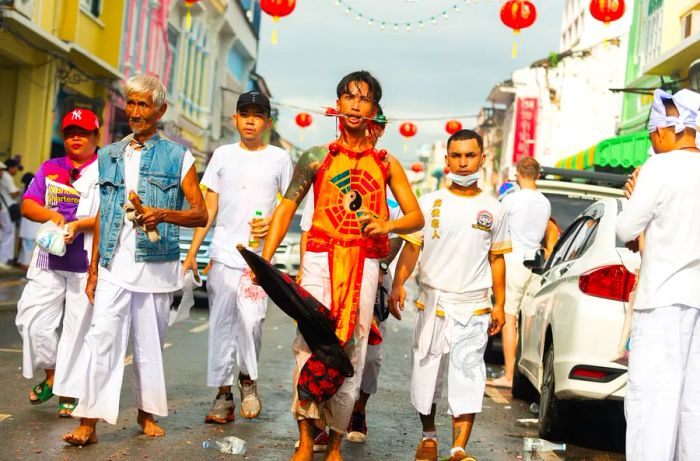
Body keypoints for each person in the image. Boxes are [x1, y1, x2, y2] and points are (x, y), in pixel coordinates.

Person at [260, 70, 424, 461]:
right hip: (319, 258)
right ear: (338, 103)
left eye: (364, 98)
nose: (355, 104)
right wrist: (264, 262)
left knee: (353, 351)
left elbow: (416, 218)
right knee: (308, 344)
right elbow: (286, 208)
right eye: (348, 96)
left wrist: (387, 224)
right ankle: (304, 438)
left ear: (373, 109)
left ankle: (334, 442)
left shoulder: (386, 164)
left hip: (365, 263)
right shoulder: (316, 157)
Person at [63, 75, 207, 446]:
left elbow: (199, 213)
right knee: (102, 340)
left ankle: (146, 413)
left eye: (144, 105)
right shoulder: (109, 154)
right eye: (131, 103)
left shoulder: (178, 156)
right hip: (114, 264)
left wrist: (161, 213)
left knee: (149, 345)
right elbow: (103, 215)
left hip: (157, 266)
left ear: (161, 110)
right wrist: (94, 270)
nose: (136, 112)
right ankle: (88, 422)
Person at [390, 129, 511, 461]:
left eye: (470, 155)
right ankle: (429, 436)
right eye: (456, 156)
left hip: (474, 306)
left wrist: (500, 304)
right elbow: (412, 250)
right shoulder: (427, 204)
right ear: (446, 160)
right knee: (426, 373)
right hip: (434, 303)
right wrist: (398, 284)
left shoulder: (495, 210)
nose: (463, 162)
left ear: (482, 158)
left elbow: (497, 258)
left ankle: (459, 448)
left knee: (468, 375)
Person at [183, 91, 293, 424]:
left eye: (257, 116)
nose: (249, 120)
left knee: (252, 323)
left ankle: (248, 382)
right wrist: (192, 254)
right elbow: (209, 208)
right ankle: (221, 397)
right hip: (223, 255)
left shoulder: (279, 159)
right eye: (244, 114)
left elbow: (289, 206)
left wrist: (271, 221)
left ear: (267, 123)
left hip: (257, 261)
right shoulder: (221, 156)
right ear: (235, 118)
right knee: (221, 327)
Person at [296, 107, 404, 447]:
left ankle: (355, 410)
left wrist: (394, 279)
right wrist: (303, 272)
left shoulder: (387, 169)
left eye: (376, 124)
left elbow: (411, 237)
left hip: (374, 278)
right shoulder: (327, 167)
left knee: (363, 356)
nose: (369, 129)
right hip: (325, 266)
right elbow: (308, 231)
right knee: (314, 346)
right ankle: (314, 427)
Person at [616, 88, 700, 460]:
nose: (653, 139)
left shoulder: (659, 167)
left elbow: (624, 228)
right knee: (692, 404)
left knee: (652, 401)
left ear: (669, 129)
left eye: (653, 132)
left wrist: (633, 196)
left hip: (662, 300)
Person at [15, 108, 101, 417]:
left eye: (82, 132)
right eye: (69, 133)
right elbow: (27, 204)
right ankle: (52, 375)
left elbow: (111, 214)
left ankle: (69, 390)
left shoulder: (106, 169)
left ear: (96, 136)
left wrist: (78, 225)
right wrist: (52, 215)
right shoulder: (51, 166)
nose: (75, 138)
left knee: (78, 331)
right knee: (32, 321)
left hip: (86, 261)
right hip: (48, 257)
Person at [488, 156, 550, 388]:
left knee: (509, 317)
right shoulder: (545, 202)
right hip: (534, 263)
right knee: (525, 320)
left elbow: (496, 228)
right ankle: (521, 373)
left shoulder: (511, 200)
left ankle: (509, 374)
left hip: (512, 260)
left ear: (518, 174)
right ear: (538, 175)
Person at [0, 158, 22, 267]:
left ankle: (5, 259)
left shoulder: (3, 177)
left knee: (5, 233)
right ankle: (3, 260)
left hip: (4, 208)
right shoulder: (6, 177)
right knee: (8, 233)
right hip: (6, 208)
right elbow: (13, 193)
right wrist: (20, 190)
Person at [17, 172, 40, 270]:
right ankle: (26, 264)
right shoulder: (37, 191)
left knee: (25, 244)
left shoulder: (23, 191)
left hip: (26, 222)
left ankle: (22, 262)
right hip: (34, 222)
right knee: (31, 245)